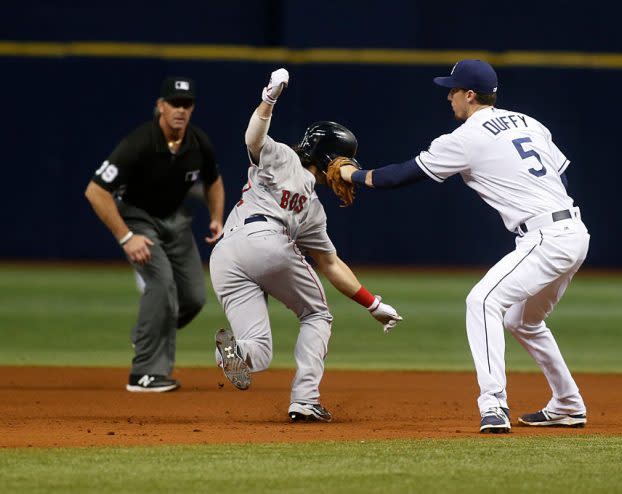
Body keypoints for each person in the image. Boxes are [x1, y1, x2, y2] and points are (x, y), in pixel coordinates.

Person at [338, 59, 590, 433]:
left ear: (469, 95)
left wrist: (353, 174)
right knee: (523, 320)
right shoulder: (528, 122)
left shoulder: (466, 138)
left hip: (545, 238)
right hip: (573, 229)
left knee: (483, 301)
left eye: (452, 90)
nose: (449, 97)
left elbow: (402, 175)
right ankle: (568, 404)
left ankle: (493, 405)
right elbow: (562, 174)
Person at [209, 68, 402, 423]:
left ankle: (236, 352)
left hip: (225, 255)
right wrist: (268, 101)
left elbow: (331, 263)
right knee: (317, 315)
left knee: (260, 354)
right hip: (266, 242)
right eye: (343, 159)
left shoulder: (313, 210)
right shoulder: (284, 158)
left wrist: (373, 303)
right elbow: (254, 139)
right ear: (329, 157)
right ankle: (305, 400)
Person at [85, 76, 225, 392]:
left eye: (186, 104)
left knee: (194, 298)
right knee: (162, 285)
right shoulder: (139, 143)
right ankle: (143, 374)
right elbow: (95, 191)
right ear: (160, 106)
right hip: (138, 219)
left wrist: (216, 217)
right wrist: (125, 237)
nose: (180, 109)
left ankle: (145, 336)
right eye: (174, 103)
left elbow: (213, 180)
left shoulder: (198, 142)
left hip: (175, 221)